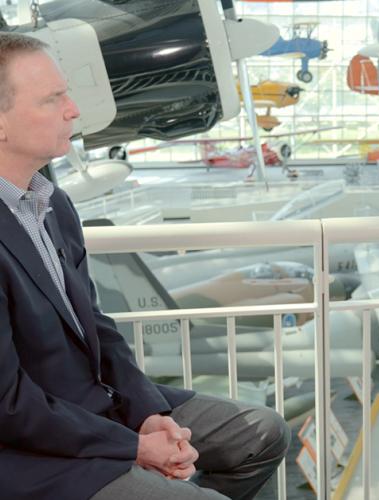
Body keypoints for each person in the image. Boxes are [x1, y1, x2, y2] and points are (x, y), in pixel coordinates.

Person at [0, 33, 290, 500]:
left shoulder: (53, 205)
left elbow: (96, 326)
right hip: (32, 450)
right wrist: (133, 447)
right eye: (53, 99)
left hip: (98, 407)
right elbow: (9, 406)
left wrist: (148, 413)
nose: (73, 110)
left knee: (262, 433)